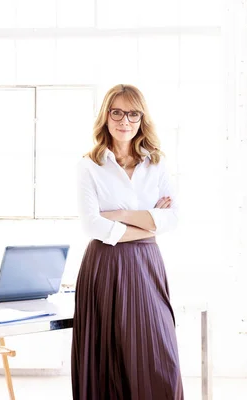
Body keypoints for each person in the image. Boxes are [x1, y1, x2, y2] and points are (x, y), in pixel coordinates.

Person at [71, 84, 184, 399]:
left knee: (160, 355)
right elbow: (93, 224)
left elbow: (172, 218)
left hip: (147, 263)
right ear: (106, 116)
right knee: (110, 358)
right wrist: (148, 223)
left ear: (141, 118)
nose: (125, 120)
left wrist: (120, 214)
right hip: (104, 264)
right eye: (117, 112)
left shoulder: (156, 164)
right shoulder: (88, 166)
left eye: (133, 113)